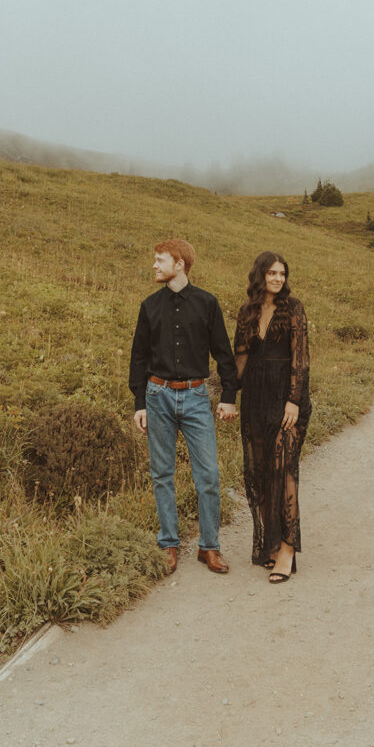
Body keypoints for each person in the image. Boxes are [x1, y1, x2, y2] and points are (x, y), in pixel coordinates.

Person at [129, 239, 238, 575]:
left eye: (160, 260)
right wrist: (139, 403)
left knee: (208, 474)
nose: (154, 266)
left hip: (194, 397)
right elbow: (139, 357)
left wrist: (229, 397)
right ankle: (168, 544)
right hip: (157, 396)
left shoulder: (207, 303)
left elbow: (223, 353)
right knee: (162, 474)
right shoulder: (149, 306)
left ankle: (209, 548)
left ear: (180, 264)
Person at [234, 251, 311, 583]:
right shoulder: (247, 311)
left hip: (287, 401)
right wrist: (225, 394)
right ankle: (271, 543)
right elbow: (240, 358)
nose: (278, 278)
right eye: (272, 273)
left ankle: (288, 550)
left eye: (282, 273)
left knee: (284, 470)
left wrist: (293, 401)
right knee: (262, 473)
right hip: (255, 398)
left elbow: (301, 357)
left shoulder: (293, 308)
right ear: (260, 276)